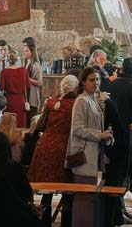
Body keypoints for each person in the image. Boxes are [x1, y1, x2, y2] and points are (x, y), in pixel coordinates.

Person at [27, 75, 79, 222]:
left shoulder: (51, 102)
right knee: (67, 190)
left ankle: (45, 222)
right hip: (64, 147)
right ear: (75, 87)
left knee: (46, 190)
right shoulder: (76, 104)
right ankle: (66, 223)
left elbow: (40, 125)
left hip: (46, 145)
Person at [70, 67, 114, 226]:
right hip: (85, 155)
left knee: (93, 199)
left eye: (97, 79)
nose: (96, 83)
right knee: (84, 200)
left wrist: (107, 135)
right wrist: (99, 135)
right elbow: (77, 129)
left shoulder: (93, 99)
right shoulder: (81, 100)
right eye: (91, 80)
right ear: (83, 82)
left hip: (96, 155)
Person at [105, 58, 132, 224]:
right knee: (122, 175)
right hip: (127, 134)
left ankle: (120, 210)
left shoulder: (111, 84)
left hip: (111, 133)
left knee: (113, 174)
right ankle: (119, 212)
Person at [0, 49, 31, 126]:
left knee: (9, 124)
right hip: (21, 100)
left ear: (7, 60)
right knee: (20, 123)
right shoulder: (24, 70)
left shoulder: (4, 72)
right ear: (17, 59)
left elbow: (1, 87)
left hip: (9, 100)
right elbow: (28, 86)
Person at [23, 39, 44, 128]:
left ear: (32, 51)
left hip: (32, 97)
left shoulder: (35, 65)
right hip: (26, 96)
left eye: (26, 51)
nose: (24, 53)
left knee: (31, 121)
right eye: (24, 51)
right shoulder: (26, 63)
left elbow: (40, 83)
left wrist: (27, 78)